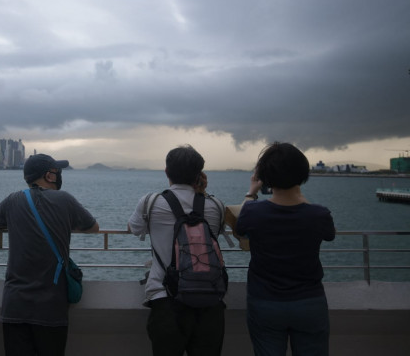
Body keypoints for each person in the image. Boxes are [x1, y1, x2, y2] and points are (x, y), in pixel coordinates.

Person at [0, 153, 99, 356]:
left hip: (14, 306)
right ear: (49, 176)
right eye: (56, 172)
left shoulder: (14, 200)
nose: (58, 175)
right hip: (51, 308)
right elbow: (93, 227)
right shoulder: (65, 200)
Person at [235, 142, 336, 356]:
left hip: (265, 302)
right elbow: (329, 234)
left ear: (265, 177)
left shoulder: (253, 212)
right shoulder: (319, 215)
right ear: (302, 175)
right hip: (309, 302)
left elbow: (240, 228)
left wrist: (251, 192)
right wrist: (298, 194)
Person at [128, 145, 226, 356]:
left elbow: (134, 228)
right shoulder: (216, 205)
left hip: (166, 298)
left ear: (166, 172)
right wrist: (203, 193)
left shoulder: (151, 202)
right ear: (200, 174)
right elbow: (214, 233)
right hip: (210, 300)